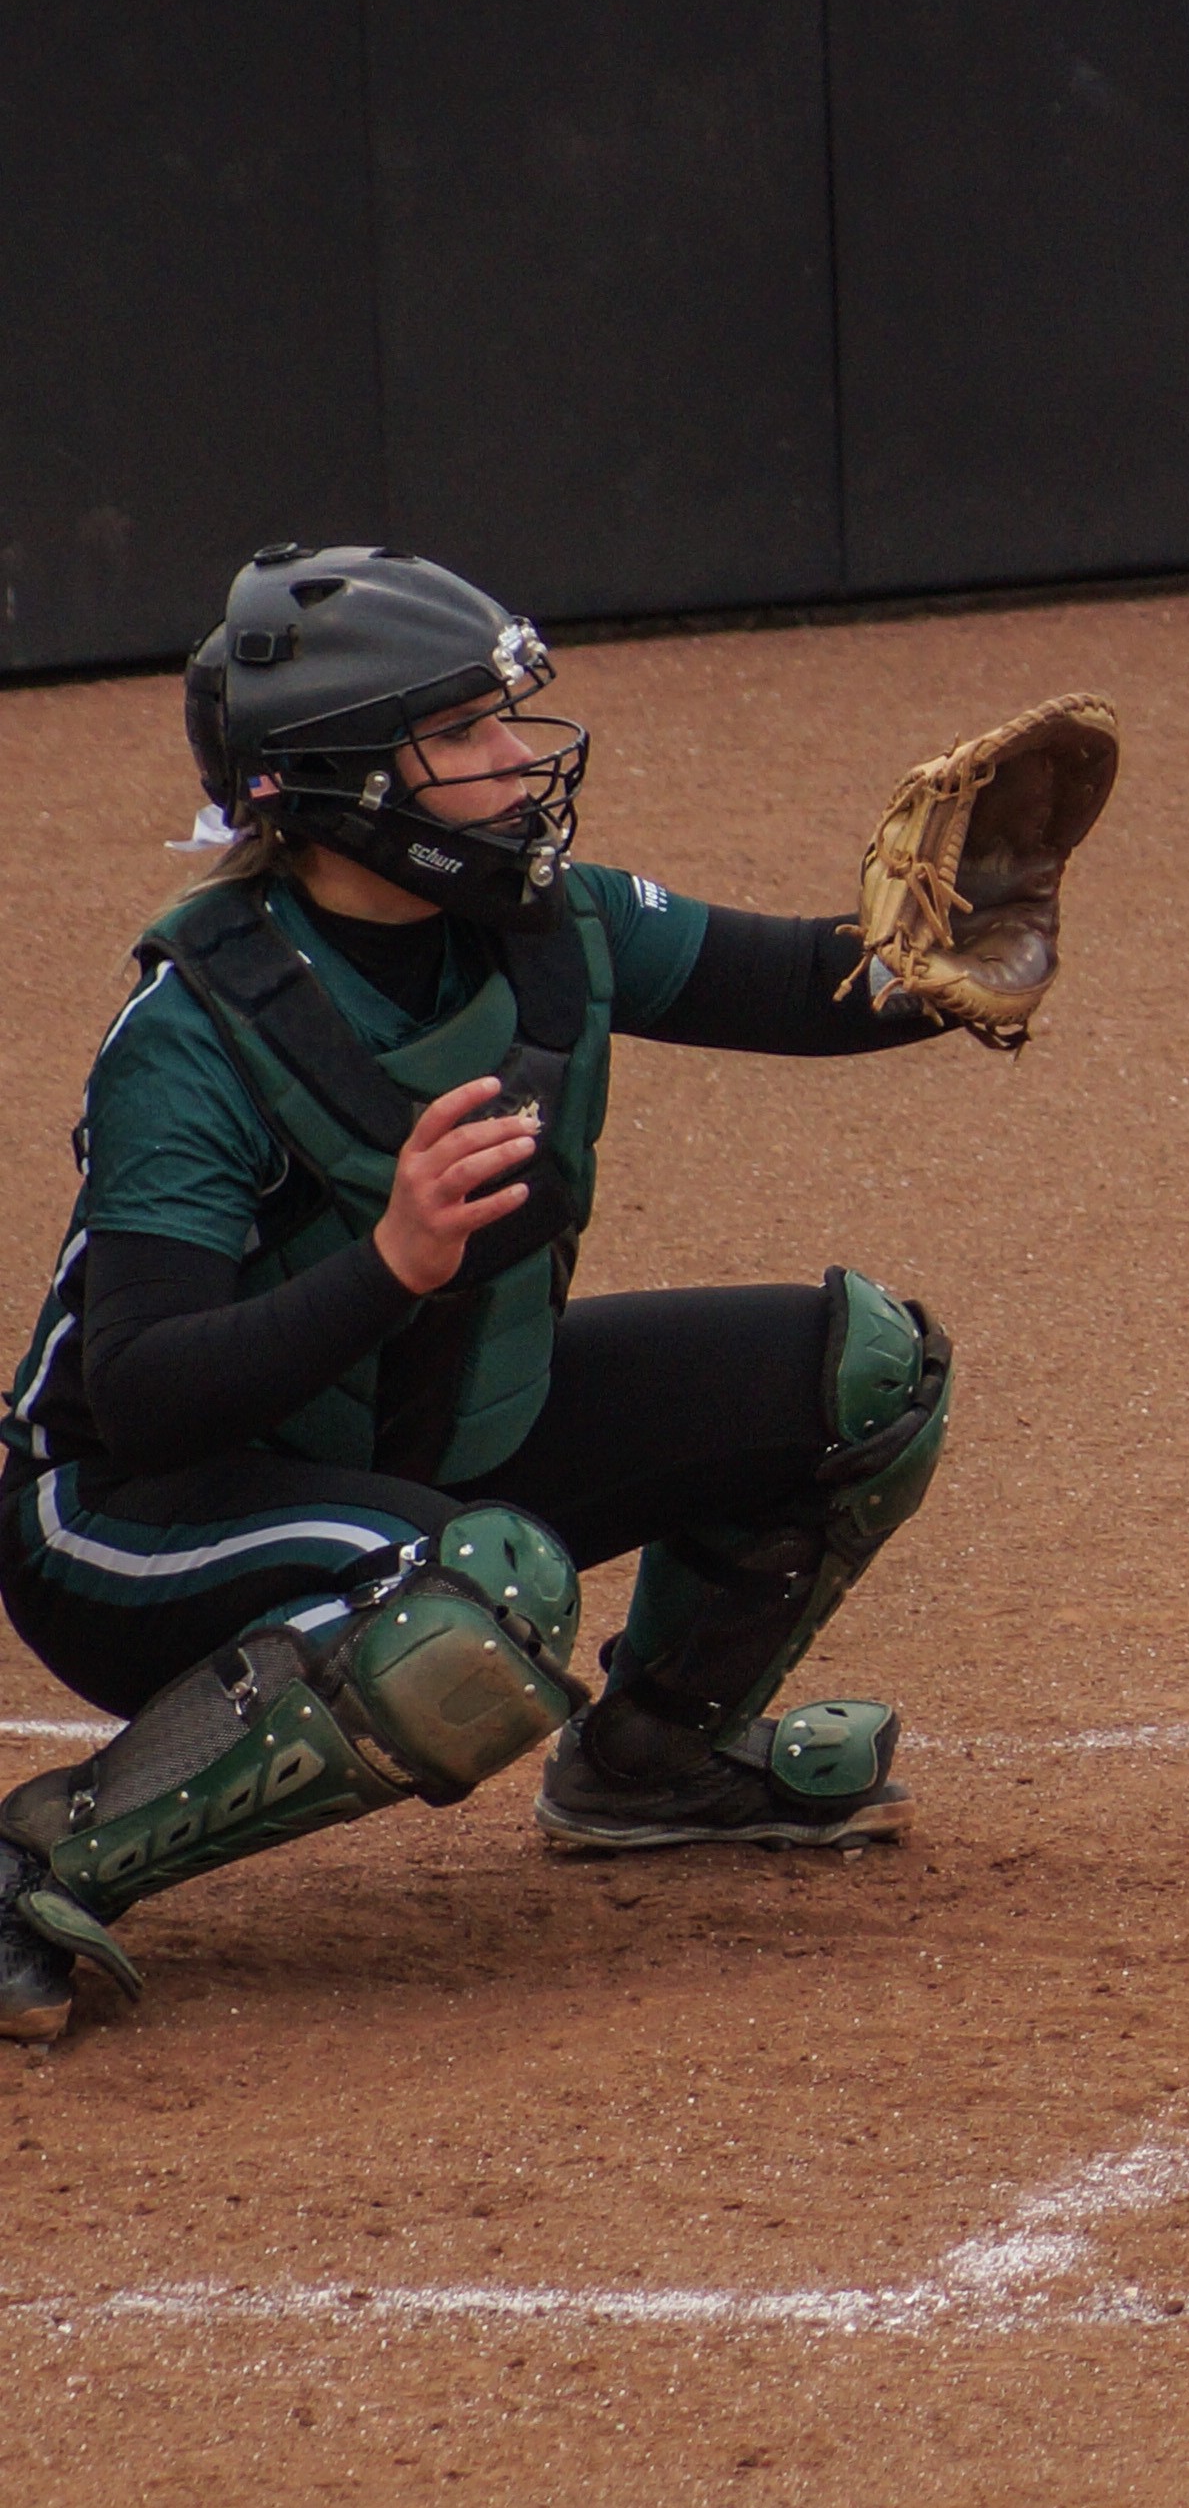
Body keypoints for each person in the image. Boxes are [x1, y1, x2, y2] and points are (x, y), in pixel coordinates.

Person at [0, 548, 1007, 2043]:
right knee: (477, 1591)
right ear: (338, 781)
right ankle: (33, 1865)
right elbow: (141, 1394)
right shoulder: (195, 1030)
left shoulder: (555, 920)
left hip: (411, 1446)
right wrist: (388, 1263)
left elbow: (805, 984)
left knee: (865, 1373)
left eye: (505, 717)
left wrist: (968, 937)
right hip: (132, 1522)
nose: (515, 757)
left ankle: (652, 1768)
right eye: (464, 731)